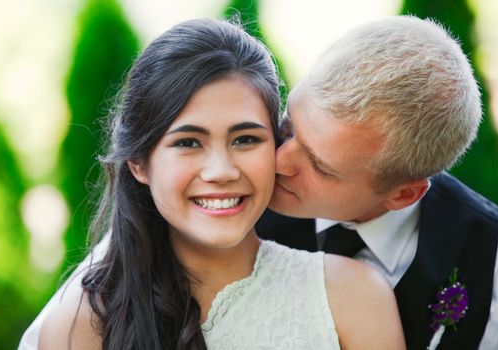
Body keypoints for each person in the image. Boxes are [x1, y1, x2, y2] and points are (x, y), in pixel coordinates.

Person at [31, 19, 404, 350]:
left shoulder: (355, 298)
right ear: (138, 163)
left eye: (245, 140)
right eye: (188, 143)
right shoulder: (82, 326)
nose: (221, 171)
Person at [255, 16, 498, 350]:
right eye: (288, 128)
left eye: (320, 166)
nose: (277, 162)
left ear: (403, 194)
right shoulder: (225, 202)